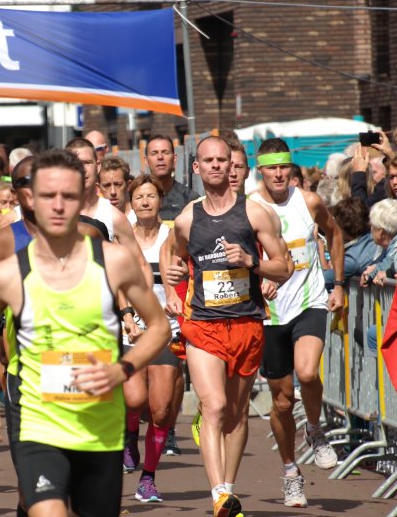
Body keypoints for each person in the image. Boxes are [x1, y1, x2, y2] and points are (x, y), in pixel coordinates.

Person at [0, 149, 171, 517]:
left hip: (100, 429)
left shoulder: (112, 261)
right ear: (31, 199)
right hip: (41, 425)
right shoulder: (8, 273)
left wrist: (122, 369)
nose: (58, 206)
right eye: (48, 196)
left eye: (68, 196)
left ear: (84, 199)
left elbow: (159, 327)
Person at [161, 136, 292, 517]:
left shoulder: (255, 214)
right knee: (213, 405)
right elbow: (170, 252)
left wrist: (251, 262)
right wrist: (171, 285)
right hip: (203, 324)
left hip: (246, 323)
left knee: (235, 414)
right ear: (197, 168)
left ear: (233, 166)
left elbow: (284, 267)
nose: (217, 166)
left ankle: (228, 492)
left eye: (224, 160)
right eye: (209, 160)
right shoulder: (187, 217)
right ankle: (218, 493)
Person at [248, 139, 344, 508]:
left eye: (283, 167)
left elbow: (334, 233)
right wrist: (260, 278)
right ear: (261, 169)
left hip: (309, 301)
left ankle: (316, 431)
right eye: (271, 168)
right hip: (270, 314)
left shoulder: (309, 202)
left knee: (307, 373)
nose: (278, 174)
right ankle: (290, 472)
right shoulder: (250, 209)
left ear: (291, 168)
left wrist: (336, 283)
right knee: (283, 401)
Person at [121, 175, 184, 504]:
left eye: (151, 196)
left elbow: (190, 270)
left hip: (166, 328)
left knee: (160, 409)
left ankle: (148, 478)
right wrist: (127, 314)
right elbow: (118, 281)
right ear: (131, 204)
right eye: (139, 197)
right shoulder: (123, 237)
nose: (145, 202)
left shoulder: (174, 236)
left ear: (161, 200)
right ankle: (130, 435)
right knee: (133, 400)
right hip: (131, 328)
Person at [144, 135, 199, 222]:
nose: (160, 157)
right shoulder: (136, 199)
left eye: (165, 152)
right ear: (146, 161)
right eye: (154, 153)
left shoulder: (190, 199)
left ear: (174, 159)